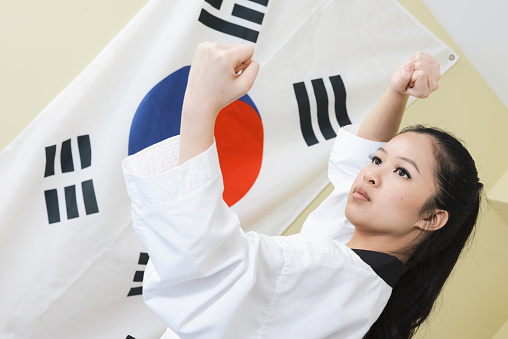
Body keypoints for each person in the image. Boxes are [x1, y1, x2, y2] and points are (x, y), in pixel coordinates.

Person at [122, 43, 483, 338]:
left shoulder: (327, 272)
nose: (371, 176)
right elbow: (352, 172)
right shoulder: (361, 275)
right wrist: (397, 91)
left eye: (402, 172)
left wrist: (199, 103)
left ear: (432, 217)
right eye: (377, 160)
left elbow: (202, 257)